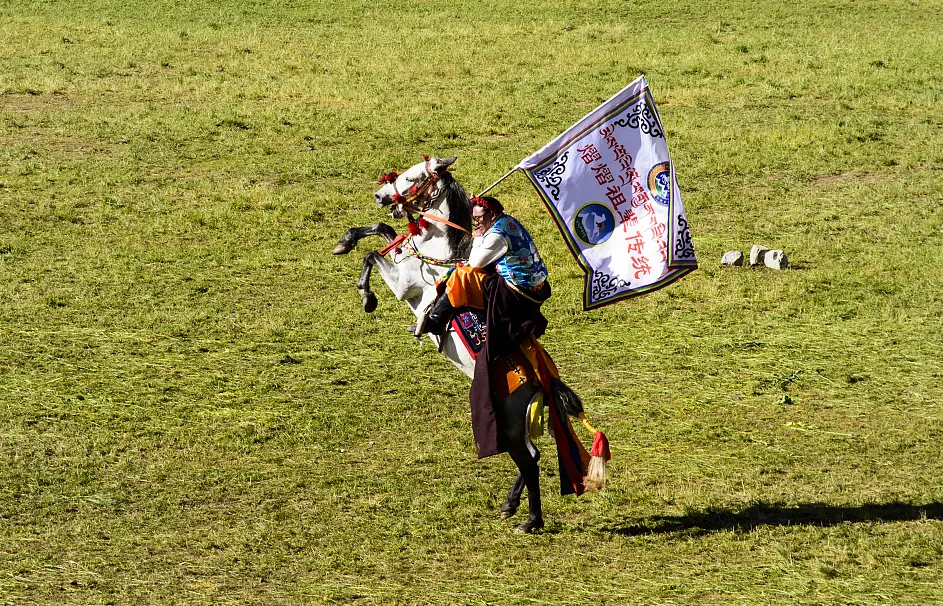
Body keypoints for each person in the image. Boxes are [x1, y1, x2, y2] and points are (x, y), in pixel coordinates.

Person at [419, 196, 549, 336]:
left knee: (462, 274)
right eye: (474, 218)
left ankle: (435, 320)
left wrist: (478, 238)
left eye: (478, 218)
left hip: (517, 292)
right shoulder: (507, 220)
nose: (476, 223)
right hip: (534, 283)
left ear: (491, 214)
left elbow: (474, 264)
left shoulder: (497, 236)